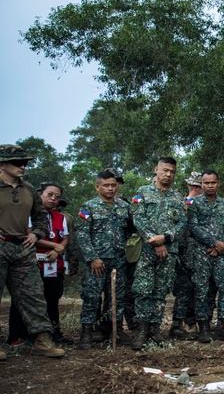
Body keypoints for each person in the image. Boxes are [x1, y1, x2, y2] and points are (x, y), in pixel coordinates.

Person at [0, 144, 65, 359]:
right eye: (17, 162)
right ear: (2, 164)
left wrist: (36, 235)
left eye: (25, 162)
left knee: (34, 296)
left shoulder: (27, 189)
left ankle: (42, 341)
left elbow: (40, 218)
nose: (22, 166)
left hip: (22, 248)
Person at [7, 182, 73, 346]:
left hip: (53, 264)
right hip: (30, 263)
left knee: (52, 299)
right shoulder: (28, 214)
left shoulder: (60, 217)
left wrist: (58, 250)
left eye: (57, 197)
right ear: (38, 194)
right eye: (49, 195)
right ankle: (18, 335)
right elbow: (29, 236)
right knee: (25, 300)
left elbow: (64, 237)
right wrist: (53, 246)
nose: (53, 199)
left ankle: (53, 333)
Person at [130, 157, 186, 348]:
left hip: (169, 251)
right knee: (143, 290)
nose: (168, 174)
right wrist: (154, 240)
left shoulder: (178, 198)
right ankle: (141, 330)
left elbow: (182, 223)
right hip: (147, 250)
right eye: (165, 170)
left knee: (161, 291)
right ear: (156, 170)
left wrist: (166, 238)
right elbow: (137, 218)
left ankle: (155, 329)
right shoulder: (142, 193)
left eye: (172, 171)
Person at [76, 170, 132, 349]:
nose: (110, 188)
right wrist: (93, 258)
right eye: (106, 185)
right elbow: (82, 234)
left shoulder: (124, 207)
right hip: (97, 262)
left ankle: (115, 330)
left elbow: (130, 232)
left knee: (116, 298)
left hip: (119, 261)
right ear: (97, 186)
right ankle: (87, 332)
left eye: (113, 185)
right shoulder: (89, 206)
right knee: (92, 297)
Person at [186, 170, 224, 343]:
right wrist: (212, 242)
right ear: (201, 184)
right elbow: (193, 226)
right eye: (206, 183)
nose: (210, 186)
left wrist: (221, 243)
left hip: (221, 252)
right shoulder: (194, 203)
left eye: (213, 183)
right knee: (201, 289)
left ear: (218, 184)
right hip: (201, 252)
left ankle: (223, 326)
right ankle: (203, 327)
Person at [169, 171, 202, 339]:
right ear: (197, 187)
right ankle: (183, 323)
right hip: (182, 255)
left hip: (195, 255)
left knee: (194, 288)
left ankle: (190, 322)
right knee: (185, 288)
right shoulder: (187, 204)